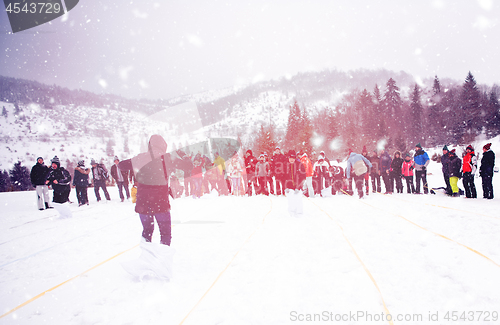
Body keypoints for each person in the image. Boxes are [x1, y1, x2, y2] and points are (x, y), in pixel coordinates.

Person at [119, 134, 181, 245]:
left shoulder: (141, 157)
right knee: (165, 233)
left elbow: (122, 166)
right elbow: (187, 166)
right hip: (160, 203)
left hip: (143, 203)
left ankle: (147, 256)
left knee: (147, 231)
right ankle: (163, 257)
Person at [284, 150, 306, 217]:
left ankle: (299, 213)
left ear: (295, 158)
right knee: (291, 200)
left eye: (293, 158)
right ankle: (291, 212)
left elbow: (303, 177)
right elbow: (283, 177)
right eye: (290, 158)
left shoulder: (300, 165)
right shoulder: (285, 165)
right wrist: (286, 187)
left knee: (298, 199)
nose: (291, 160)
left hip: (298, 187)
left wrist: (298, 187)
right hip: (289, 187)